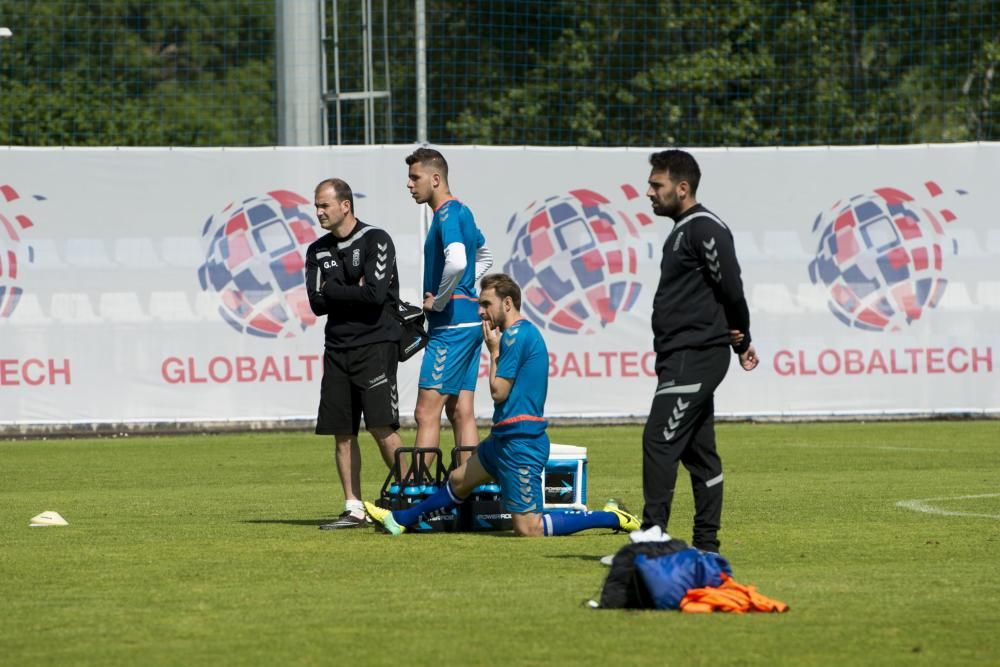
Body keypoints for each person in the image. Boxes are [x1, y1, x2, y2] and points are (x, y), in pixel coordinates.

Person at [364, 273, 640, 537]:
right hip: (504, 439)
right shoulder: (519, 333)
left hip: (522, 443)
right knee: (459, 481)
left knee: (528, 529)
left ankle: (612, 516)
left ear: (507, 303)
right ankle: (400, 520)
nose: (481, 312)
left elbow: (499, 391)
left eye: (486, 304)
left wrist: (493, 351)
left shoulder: (514, 336)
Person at [633, 149, 759, 552]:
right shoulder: (681, 230)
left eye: (657, 185)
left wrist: (743, 338)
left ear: (682, 188)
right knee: (700, 456)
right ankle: (707, 546)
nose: (649, 192)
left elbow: (731, 288)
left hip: (696, 354)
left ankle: (653, 534)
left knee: (658, 440)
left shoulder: (705, 228)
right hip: (679, 354)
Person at [304, 178, 406, 530]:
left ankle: (413, 499)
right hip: (337, 348)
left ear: (345, 205)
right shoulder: (317, 250)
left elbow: (376, 295)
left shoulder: (376, 239)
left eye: (324, 205)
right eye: (316, 206)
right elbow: (317, 304)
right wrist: (350, 290)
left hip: (376, 345)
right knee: (342, 431)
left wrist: (334, 289)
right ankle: (354, 508)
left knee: (381, 426)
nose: (318, 212)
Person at [405, 148, 492, 463]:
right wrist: (467, 288)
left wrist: (439, 300)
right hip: (469, 322)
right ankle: (468, 494)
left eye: (415, 177)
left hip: (451, 324)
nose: (409, 184)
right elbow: (485, 256)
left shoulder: (446, 214)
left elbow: (456, 262)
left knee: (426, 412)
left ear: (436, 178)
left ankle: (414, 501)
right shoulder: (463, 211)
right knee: (461, 411)